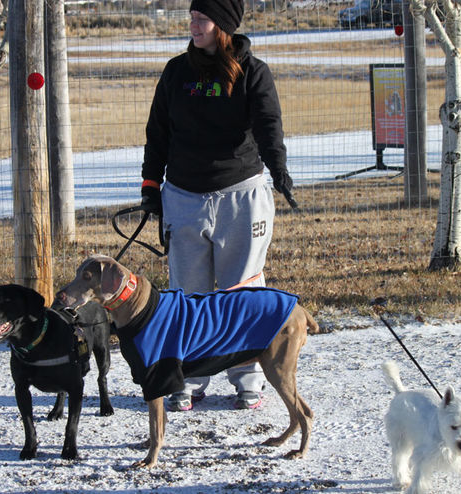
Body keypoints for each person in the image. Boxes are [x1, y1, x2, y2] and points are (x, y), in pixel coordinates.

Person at [140, 0, 294, 411]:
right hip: (184, 197)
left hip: (241, 196)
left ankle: (248, 379)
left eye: (201, 18)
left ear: (222, 25)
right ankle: (188, 379)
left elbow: (267, 124)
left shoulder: (252, 72)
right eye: (191, 17)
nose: (192, 24)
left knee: (240, 290)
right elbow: (158, 132)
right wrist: (150, 185)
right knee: (188, 295)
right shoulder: (177, 72)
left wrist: (278, 170)